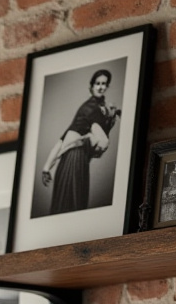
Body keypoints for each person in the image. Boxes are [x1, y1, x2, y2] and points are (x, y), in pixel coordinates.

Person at [39, 69, 121, 215]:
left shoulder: (96, 107)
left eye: (104, 84)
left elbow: (62, 140)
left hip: (74, 160)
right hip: (74, 159)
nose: (101, 87)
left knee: (72, 204)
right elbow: (103, 141)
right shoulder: (91, 108)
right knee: (73, 204)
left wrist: (46, 168)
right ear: (92, 86)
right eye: (98, 83)